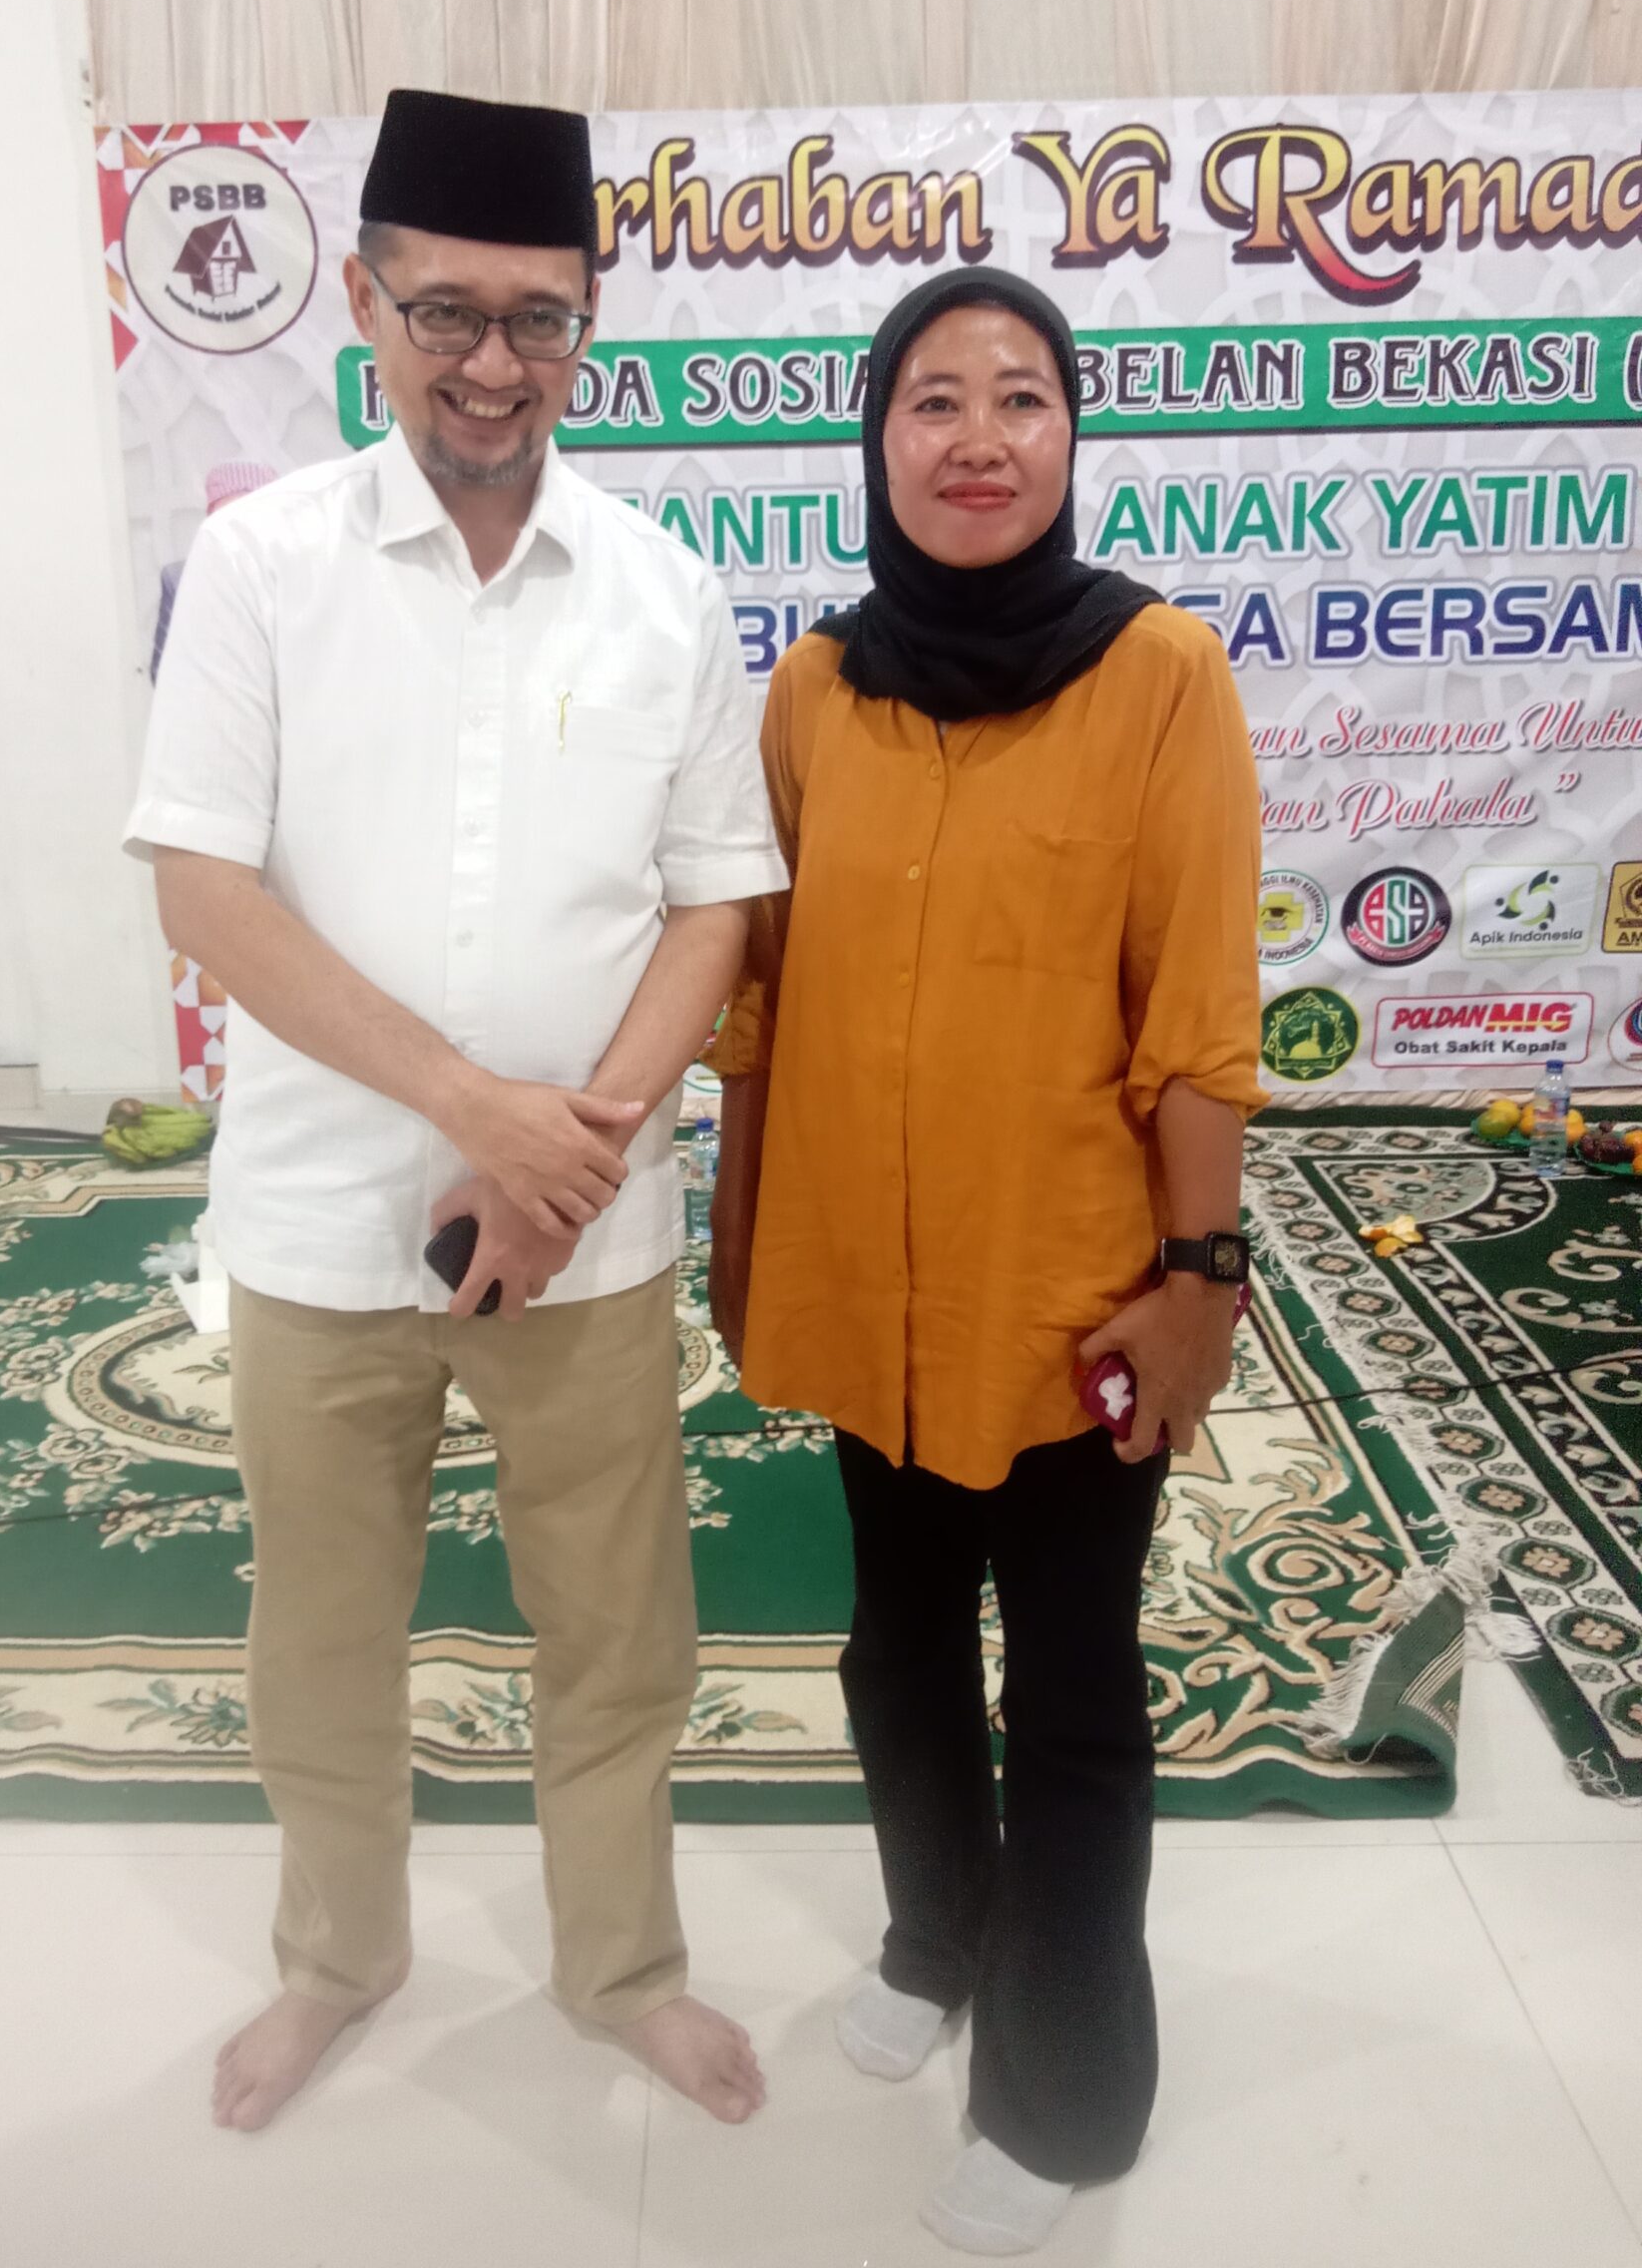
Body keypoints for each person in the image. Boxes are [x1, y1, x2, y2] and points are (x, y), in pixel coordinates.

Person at [125, 88, 786, 2133]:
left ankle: (624, 1967)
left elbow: (718, 899)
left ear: (588, 321)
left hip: (588, 1233)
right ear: (365, 302)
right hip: (323, 1220)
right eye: (447, 314)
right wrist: (474, 1110)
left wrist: (560, 1156)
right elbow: (203, 887)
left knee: (621, 1629)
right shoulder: (259, 567)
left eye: (537, 318)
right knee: (322, 1634)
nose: (492, 363)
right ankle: (337, 1960)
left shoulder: (664, 590)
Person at [709, 269, 1264, 2255]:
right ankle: (937, 1934)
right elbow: (766, 993)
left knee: (1079, 1691)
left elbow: (1199, 1018)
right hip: (869, 1286)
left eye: (1020, 396)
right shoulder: (815, 690)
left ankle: (1069, 2094)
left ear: (1071, 436)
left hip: (1072, 1300)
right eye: (931, 398)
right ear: (875, 441)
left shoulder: (1160, 672)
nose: (975, 437)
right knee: (898, 1643)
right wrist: (742, 1231)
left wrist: (1199, 1275)